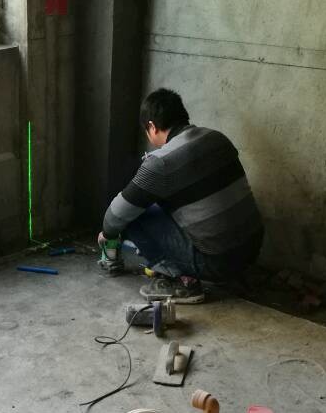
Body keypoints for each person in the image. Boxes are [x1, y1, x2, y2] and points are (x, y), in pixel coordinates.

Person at [99, 88, 264, 303]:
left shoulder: (160, 162)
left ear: (152, 126)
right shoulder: (217, 138)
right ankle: (231, 271)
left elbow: (116, 215)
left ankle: (183, 282)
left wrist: (107, 233)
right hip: (253, 248)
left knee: (131, 218)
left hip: (217, 262)